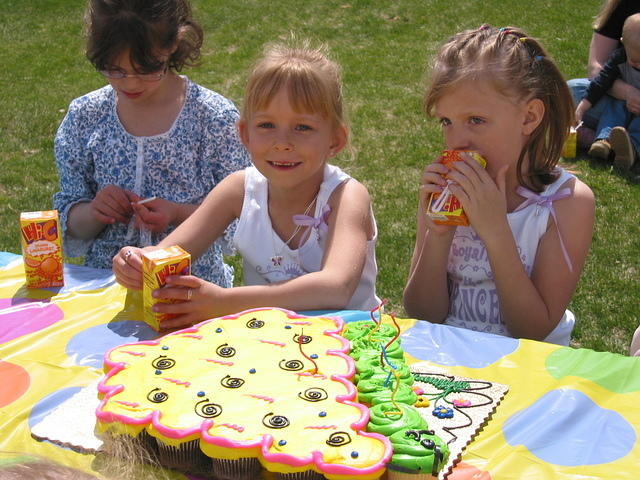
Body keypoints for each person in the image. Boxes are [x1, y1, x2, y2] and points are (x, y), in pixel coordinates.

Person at [112, 41, 379, 328]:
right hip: (267, 345)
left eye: (303, 127)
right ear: (245, 134)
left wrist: (224, 302)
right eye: (266, 125)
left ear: (334, 140)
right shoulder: (238, 190)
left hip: (351, 346)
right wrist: (136, 262)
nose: (282, 143)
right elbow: (167, 252)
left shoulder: (346, 196)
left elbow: (335, 288)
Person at [403, 25, 595, 345]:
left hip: (527, 372)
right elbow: (422, 314)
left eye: (475, 120)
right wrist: (437, 237)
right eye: (446, 122)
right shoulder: (444, 194)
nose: (457, 141)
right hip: (447, 360)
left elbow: (533, 330)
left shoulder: (566, 203)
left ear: (529, 118)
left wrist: (495, 231)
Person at [53, 0, 250, 286]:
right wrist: (95, 211)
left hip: (191, 290)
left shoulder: (212, 118)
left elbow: (243, 216)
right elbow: (70, 222)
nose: (130, 83)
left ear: (173, 43)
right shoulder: (86, 116)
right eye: (115, 70)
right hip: (104, 288)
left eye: (146, 69)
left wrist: (178, 213)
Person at [568, 0, 640, 146]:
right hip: (619, 98)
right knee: (571, 91)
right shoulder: (624, 4)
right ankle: (606, 140)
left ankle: (627, 144)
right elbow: (596, 70)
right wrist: (629, 93)